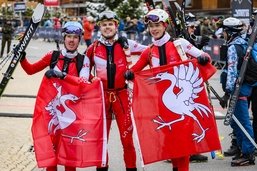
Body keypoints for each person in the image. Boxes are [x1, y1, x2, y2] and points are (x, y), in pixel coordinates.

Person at [126, 9, 212, 171]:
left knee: (184, 141)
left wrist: (202, 58)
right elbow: (135, 70)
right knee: (170, 140)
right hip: (162, 103)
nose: (154, 29)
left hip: (182, 101)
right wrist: (129, 73)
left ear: (165, 25)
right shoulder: (149, 51)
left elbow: (205, 57)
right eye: (151, 26)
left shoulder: (180, 44)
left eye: (157, 25)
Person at [20, 21, 90, 171]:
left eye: (75, 37)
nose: (71, 40)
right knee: (51, 156)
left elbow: (83, 83)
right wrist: (22, 59)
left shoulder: (83, 60)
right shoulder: (52, 56)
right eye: (68, 36)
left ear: (80, 39)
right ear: (63, 38)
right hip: (52, 113)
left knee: (69, 157)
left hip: (73, 114)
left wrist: (62, 75)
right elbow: (30, 70)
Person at [85, 10, 146, 171]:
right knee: (101, 140)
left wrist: (178, 46)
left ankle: (131, 168)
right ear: (99, 27)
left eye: (110, 24)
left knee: (127, 140)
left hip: (122, 96)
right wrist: (92, 80)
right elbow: (83, 73)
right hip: (102, 98)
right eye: (104, 25)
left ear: (116, 26)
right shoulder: (93, 48)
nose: (107, 27)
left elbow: (150, 52)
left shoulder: (126, 44)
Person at [219, 17, 255, 166]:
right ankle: (242, 149)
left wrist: (227, 93)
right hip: (240, 88)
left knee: (242, 122)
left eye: (224, 31)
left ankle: (248, 153)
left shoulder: (234, 47)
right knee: (235, 122)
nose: (223, 34)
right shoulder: (242, 43)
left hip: (238, 90)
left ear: (230, 32)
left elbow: (232, 71)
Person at [184, 12, 209, 163]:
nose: (193, 29)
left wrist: (198, 47)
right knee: (186, 120)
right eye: (191, 27)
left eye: (194, 27)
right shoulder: (177, 41)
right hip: (182, 86)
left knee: (192, 118)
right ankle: (185, 151)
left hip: (191, 83)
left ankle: (191, 150)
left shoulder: (189, 39)